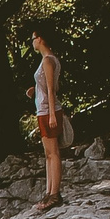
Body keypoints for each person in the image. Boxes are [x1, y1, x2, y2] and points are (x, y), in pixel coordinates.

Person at [28, 25, 67, 208]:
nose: (32, 42)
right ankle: (49, 192)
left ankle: (54, 194)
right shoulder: (49, 60)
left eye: (34, 38)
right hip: (44, 109)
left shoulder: (48, 61)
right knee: (48, 154)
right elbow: (48, 86)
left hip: (47, 110)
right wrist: (34, 90)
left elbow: (52, 89)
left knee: (53, 153)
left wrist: (52, 114)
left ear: (40, 39)